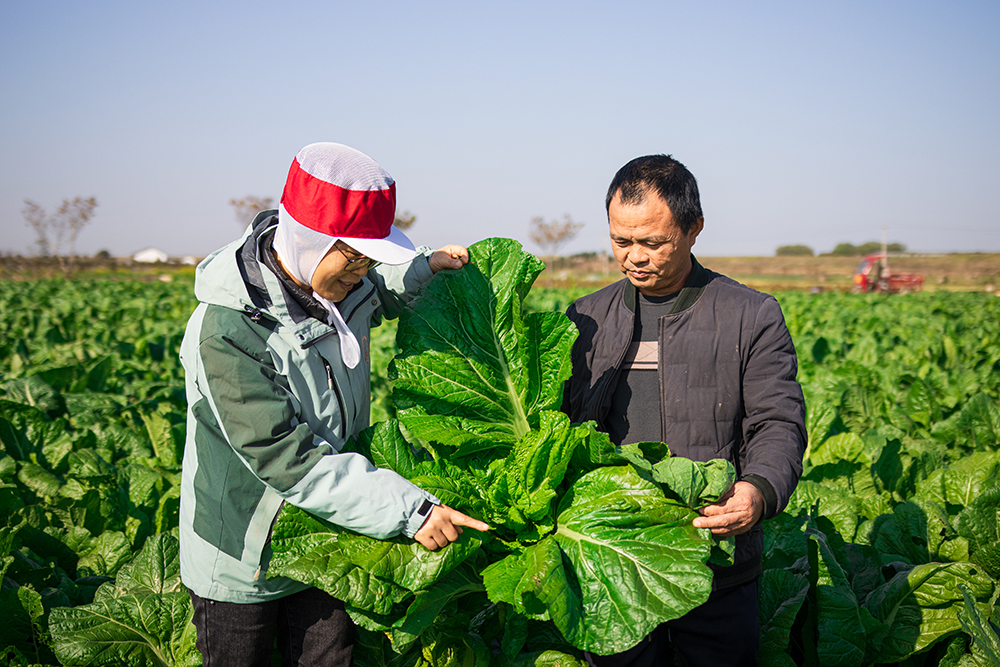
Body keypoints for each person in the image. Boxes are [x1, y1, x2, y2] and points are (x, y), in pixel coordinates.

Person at [178, 142, 489, 667]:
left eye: (370, 259)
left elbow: (379, 290)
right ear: (309, 241)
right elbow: (285, 459)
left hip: (334, 530)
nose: (361, 272)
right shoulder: (228, 330)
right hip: (245, 554)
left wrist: (424, 268)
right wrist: (410, 511)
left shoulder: (338, 284)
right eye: (353, 257)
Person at [562, 154, 806, 667]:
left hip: (713, 554)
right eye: (620, 241)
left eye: (652, 242)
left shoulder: (749, 315)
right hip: (614, 553)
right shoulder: (584, 317)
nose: (634, 257)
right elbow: (558, 427)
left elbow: (777, 421)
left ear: (694, 228)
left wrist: (758, 489)